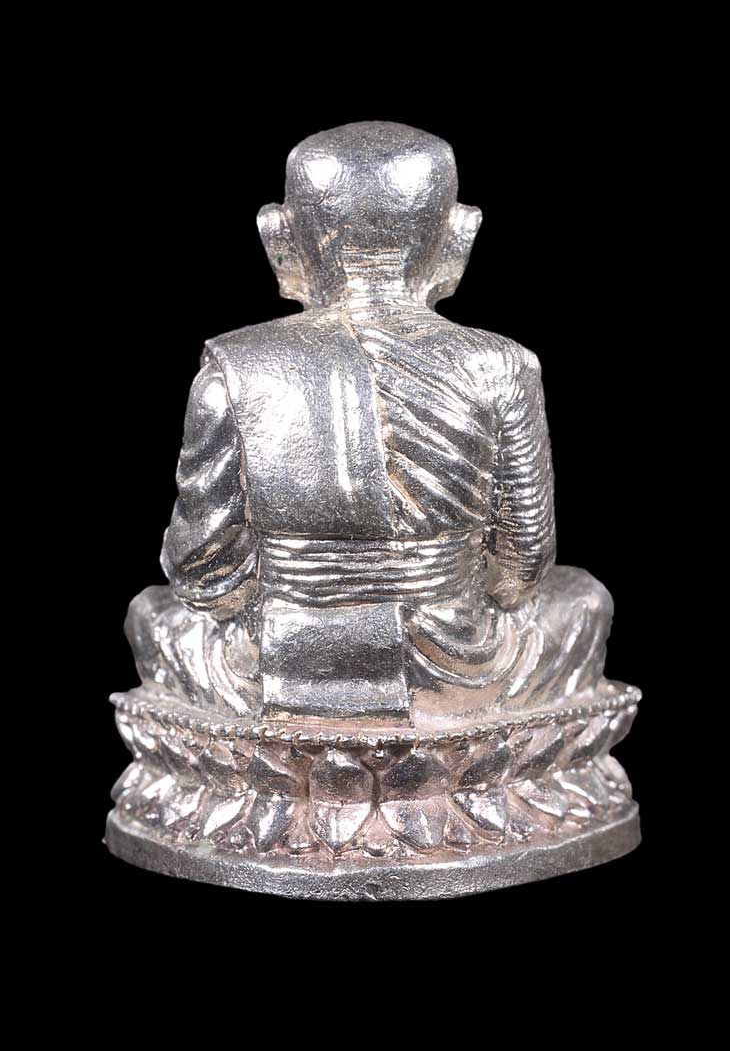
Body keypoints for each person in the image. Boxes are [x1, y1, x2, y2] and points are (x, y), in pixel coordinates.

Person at [126, 121, 613, 730]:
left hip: (277, 656)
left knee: (152, 614)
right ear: (460, 236)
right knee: (583, 601)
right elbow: (524, 565)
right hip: (458, 656)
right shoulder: (501, 364)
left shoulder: (233, 369)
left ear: (278, 236)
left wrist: (277, 602)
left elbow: (202, 567)